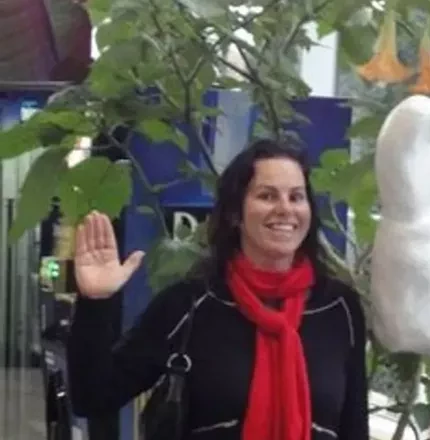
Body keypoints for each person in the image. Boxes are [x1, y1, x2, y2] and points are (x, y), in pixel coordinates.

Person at [66, 139, 369, 440]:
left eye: (296, 197)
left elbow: (354, 428)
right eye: (267, 196)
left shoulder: (338, 308)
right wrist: (95, 301)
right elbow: (93, 396)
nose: (285, 209)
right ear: (235, 213)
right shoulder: (189, 305)